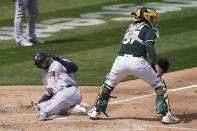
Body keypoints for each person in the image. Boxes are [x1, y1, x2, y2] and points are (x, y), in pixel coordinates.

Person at [87, 7, 180, 124]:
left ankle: (95, 111)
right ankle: (166, 115)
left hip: (120, 61)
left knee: (108, 83)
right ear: (145, 17)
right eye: (151, 18)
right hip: (137, 62)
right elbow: (149, 47)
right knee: (159, 84)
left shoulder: (129, 28)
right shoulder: (147, 29)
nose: (153, 20)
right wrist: (156, 64)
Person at [31, 51, 87, 121]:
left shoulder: (58, 63)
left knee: (56, 102)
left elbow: (74, 68)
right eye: (39, 63)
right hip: (60, 96)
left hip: (71, 91)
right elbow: (48, 95)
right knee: (42, 106)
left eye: (41, 61)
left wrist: (60, 60)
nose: (41, 64)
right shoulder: (45, 75)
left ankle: (45, 113)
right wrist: (38, 104)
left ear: (47, 58)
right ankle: (74, 109)